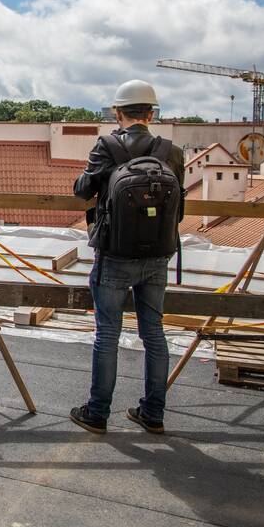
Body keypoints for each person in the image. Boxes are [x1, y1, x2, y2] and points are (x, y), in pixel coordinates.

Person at [70, 80, 185, 435]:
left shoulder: (106, 146)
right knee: (154, 333)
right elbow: (179, 208)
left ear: (118, 113)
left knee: (107, 334)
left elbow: (82, 191)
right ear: (151, 113)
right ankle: (153, 411)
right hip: (158, 255)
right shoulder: (173, 152)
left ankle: (98, 412)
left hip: (115, 254)